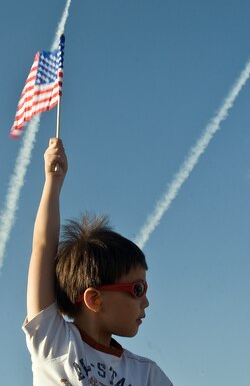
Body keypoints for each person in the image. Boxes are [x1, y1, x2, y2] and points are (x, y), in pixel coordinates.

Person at [23, 137, 172, 386]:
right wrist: (53, 182)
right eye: (137, 289)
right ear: (94, 299)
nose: (146, 301)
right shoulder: (54, 341)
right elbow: (43, 247)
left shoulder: (147, 375)